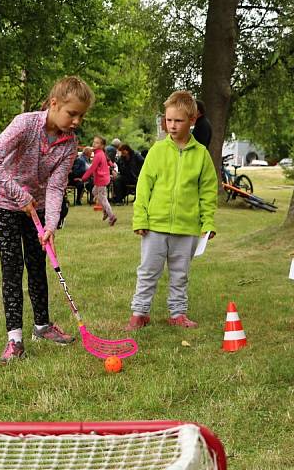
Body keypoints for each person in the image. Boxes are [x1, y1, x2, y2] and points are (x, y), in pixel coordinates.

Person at [0, 76, 94, 364]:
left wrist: (51, 225)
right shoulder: (25, 124)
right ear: (54, 104)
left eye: (81, 115)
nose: (76, 120)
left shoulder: (70, 144)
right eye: (72, 113)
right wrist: (19, 195)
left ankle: (42, 326)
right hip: (4, 204)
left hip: (38, 209)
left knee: (37, 264)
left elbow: (56, 186)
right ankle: (14, 339)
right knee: (12, 268)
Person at [126, 90, 218, 330]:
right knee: (148, 271)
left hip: (187, 228)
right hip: (154, 226)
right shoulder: (157, 150)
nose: (172, 125)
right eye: (168, 120)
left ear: (192, 120)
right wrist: (140, 218)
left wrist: (207, 223)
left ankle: (177, 313)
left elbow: (208, 192)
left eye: (178, 121)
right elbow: (143, 185)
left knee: (180, 274)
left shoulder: (202, 155)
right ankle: (139, 312)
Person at [79, 135, 116, 225]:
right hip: (102, 179)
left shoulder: (98, 155)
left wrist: (83, 178)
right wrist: (111, 165)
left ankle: (111, 216)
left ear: (102, 145)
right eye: (94, 142)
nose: (94, 144)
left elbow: (92, 168)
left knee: (103, 198)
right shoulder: (100, 153)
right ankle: (105, 211)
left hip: (101, 180)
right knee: (94, 192)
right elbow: (107, 160)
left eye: (97, 143)